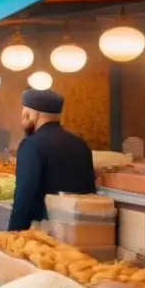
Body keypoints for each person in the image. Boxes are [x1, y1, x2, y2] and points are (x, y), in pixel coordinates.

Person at [9, 89, 97, 230]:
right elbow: (90, 189)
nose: (22, 118)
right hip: (78, 229)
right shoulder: (80, 143)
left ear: (33, 114)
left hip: (45, 229)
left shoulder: (32, 145)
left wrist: (13, 234)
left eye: (24, 113)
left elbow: (25, 195)